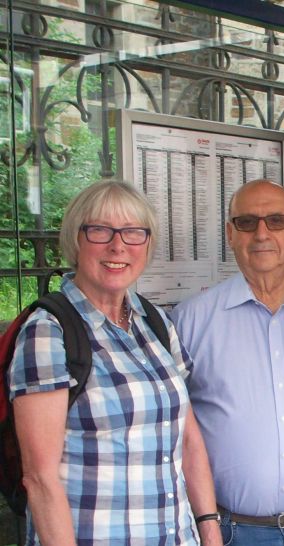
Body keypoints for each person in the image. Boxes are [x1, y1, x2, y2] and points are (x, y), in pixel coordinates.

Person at [8, 181, 222, 546]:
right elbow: (40, 479)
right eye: (100, 230)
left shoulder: (155, 321)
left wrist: (209, 530)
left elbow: (187, 439)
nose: (118, 245)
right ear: (76, 240)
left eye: (133, 232)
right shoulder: (49, 330)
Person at [172, 180, 284, 546]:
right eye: (248, 222)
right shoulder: (189, 321)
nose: (262, 233)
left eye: (277, 221)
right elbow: (176, 432)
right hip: (232, 533)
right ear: (230, 234)